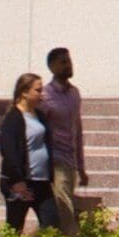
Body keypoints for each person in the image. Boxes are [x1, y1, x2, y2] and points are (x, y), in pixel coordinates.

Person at [0, 72, 71, 234]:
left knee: (52, 226)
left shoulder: (39, 115)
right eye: (37, 90)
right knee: (14, 227)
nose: (42, 94)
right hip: (21, 183)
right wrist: (17, 180)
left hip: (41, 182)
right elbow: (8, 151)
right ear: (24, 92)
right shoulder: (13, 118)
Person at [39, 47, 87, 223]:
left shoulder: (74, 93)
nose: (68, 66)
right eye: (63, 62)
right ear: (52, 67)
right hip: (55, 161)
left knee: (62, 207)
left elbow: (78, 131)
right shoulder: (45, 96)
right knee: (64, 206)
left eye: (69, 61)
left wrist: (81, 167)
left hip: (70, 160)